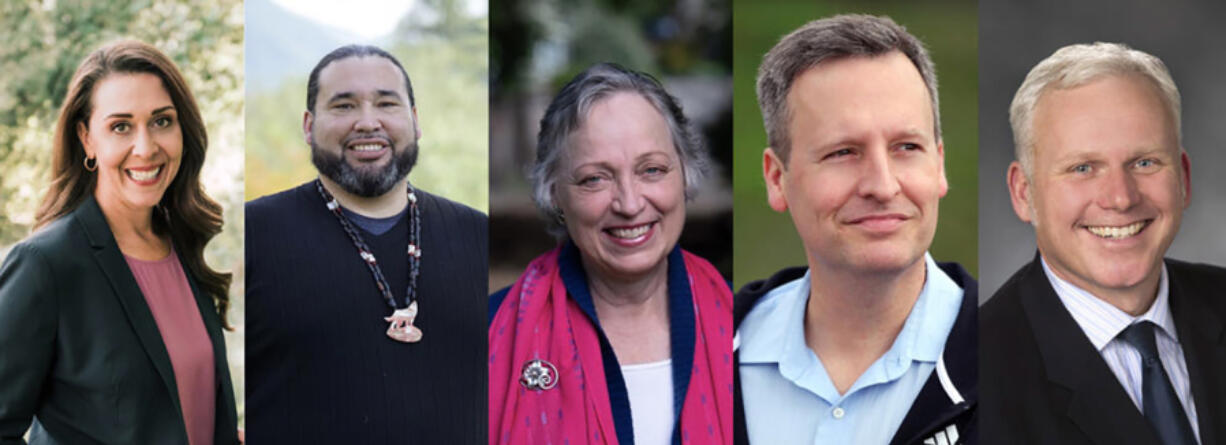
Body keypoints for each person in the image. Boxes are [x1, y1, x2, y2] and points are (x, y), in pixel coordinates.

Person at [733, 15, 977, 445]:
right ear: (777, 178)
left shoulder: (1028, 365)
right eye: (843, 152)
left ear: (938, 164)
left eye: (907, 147)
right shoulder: (698, 361)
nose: (882, 186)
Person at [981, 42, 1226, 444]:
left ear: (1183, 177)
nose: (1120, 197)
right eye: (1082, 168)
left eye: (1144, 162)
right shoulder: (977, 379)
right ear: (1023, 192)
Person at [244, 44, 488, 444]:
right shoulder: (253, 232)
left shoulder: (479, 237)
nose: (367, 122)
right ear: (308, 126)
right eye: (344, 106)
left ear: (414, 120)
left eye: (387, 104)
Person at [0, 40, 239, 445]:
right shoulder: (46, 264)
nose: (146, 148)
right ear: (86, 139)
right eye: (120, 126)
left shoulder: (182, 244)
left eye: (162, 121)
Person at [488, 63, 732, 445]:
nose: (630, 204)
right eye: (595, 178)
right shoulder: (486, 335)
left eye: (651, 170)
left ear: (684, 172)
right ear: (554, 192)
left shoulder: (749, 328)